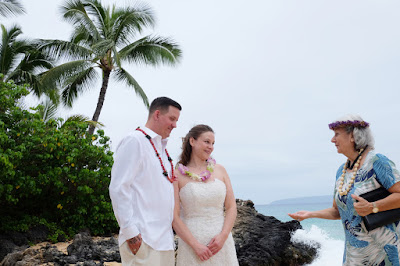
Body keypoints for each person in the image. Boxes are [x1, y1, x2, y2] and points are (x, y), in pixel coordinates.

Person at [289, 114, 400, 265]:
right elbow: (338, 212)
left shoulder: (377, 162)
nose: (332, 140)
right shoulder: (342, 171)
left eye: (337, 134)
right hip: (354, 255)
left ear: (353, 136)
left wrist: (372, 207)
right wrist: (310, 214)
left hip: (383, 253)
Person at [109, 97, 181, 266]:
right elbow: (119, 188)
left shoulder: (162, 149)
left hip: (164, 240)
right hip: (143, 239)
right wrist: (130, 233)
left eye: (177, 121)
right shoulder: (135, 141)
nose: (175, 125)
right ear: (157, 114)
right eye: (172, 119)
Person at [172, 124, 239, 265]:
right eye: (207, 142)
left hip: (221, 243)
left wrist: (223, 236)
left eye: (213, 143)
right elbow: (174, 217)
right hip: (193, 244)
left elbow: (231, 207)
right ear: (192, 141)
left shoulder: (220, 170)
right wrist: (196, 246)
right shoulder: (177, 175)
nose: (211, 147)